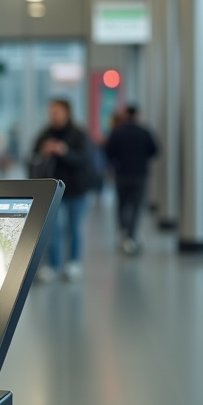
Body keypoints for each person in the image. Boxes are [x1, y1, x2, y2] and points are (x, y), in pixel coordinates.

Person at [30, 98, 92, 281]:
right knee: (52, 228)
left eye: (57, 112)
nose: (53, 116)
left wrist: (64, 151)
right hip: (53, 190)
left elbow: (84, 159)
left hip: (76, 188)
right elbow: (34, 158)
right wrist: (44, 151)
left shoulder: (78, 134)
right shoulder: (45, 134)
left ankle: (73, 262)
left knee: (73, 227)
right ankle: (52, 265)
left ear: (67, 112)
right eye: (51, 112)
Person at [104, 105, 159, 255]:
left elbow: (108, 152)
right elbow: (155, 150)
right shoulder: (144, 132)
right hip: (139, 174)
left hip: (121, 174)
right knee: (136, 206)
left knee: (122, 205)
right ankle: (131, 235)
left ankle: (123, 232)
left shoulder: (118, 132)